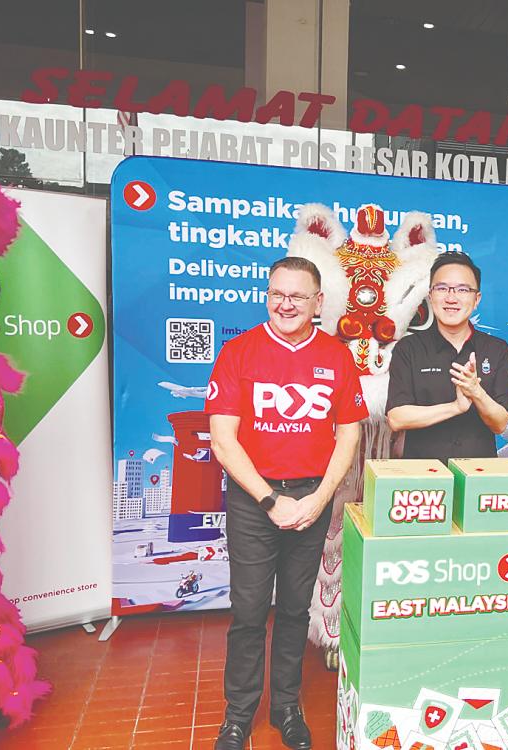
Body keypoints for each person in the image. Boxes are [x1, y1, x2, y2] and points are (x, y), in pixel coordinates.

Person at [206, 257, 368, 750]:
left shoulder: (337, 357)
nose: (286, 304)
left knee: (297, 610)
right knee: (250, 610)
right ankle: (238, 714)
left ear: (319, 302)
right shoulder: (239, 351)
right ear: (267, 295)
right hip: (256, 500)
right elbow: (221, 440)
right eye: (277, 293)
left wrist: (319, 497)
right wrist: (269, 498)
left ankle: (286, 707)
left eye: (298, 296)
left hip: (311, 499)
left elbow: (349, 434)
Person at [386, 251, 508, 464]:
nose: (451, 298)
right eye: (442, 288)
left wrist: (476, 392)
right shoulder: (408, 348)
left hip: (479, 477)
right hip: (422, 482)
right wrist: (455, 407)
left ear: (476, 299)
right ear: (430, 296)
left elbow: (500, 424)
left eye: (463, 289)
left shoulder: (496, 349)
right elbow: (397, 418)